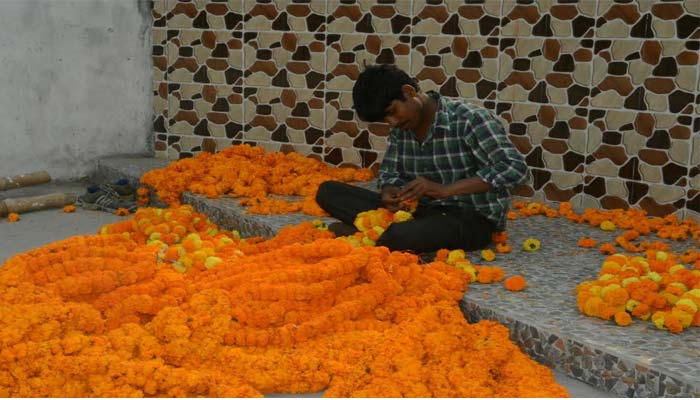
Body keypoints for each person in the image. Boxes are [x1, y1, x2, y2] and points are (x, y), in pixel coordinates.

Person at [316, 64, 528, 254]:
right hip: (419, 212)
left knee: (400, 236)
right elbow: (390, 174)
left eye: (393, 112)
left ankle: (371, 234)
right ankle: (382, 235)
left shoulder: (469, 118)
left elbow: (515, 169)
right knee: (328, 191)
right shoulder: (402, 128)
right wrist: (390, 192)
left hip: (470, 218)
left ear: (409, 92)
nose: (392, 122)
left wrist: (446, 189)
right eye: (385, 119)